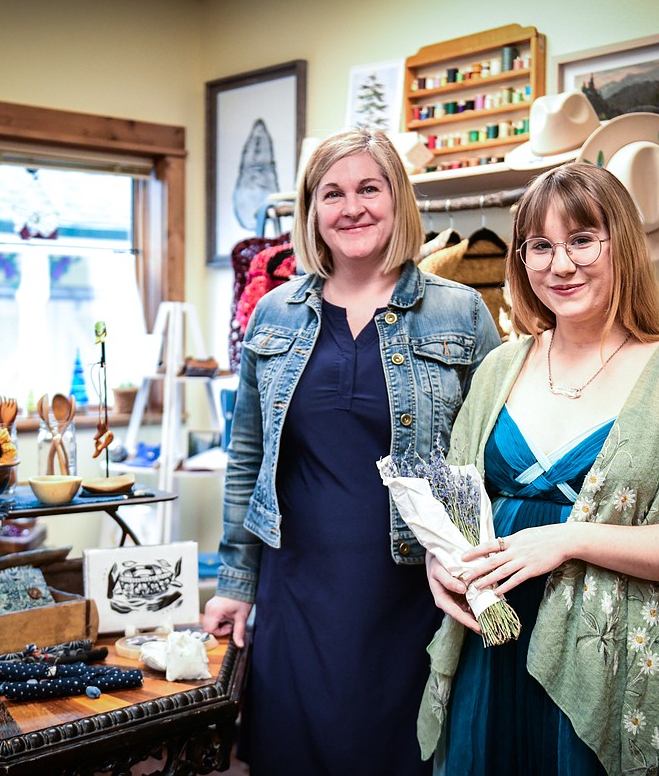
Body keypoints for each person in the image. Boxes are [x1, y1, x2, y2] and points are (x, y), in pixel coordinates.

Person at [420, 162, 659, 775]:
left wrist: (569, 539)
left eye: (581, 240)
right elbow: (456, 505)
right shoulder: (501, 367)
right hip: (491, 653)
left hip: (613, 661)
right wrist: (440, 563)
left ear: (619, 243)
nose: (560, 264)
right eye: (540, 246)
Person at [202, 127, 501, 775]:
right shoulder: (274, 314)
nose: (352, 207)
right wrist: (235, 583)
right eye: (331, 193)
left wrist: (481, 577)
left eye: (370, 187)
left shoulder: (462, 313)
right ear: (311, 210)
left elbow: (488, 458)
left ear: (398, 199)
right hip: (297, 588)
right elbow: (247, 456)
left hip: (412, 593)